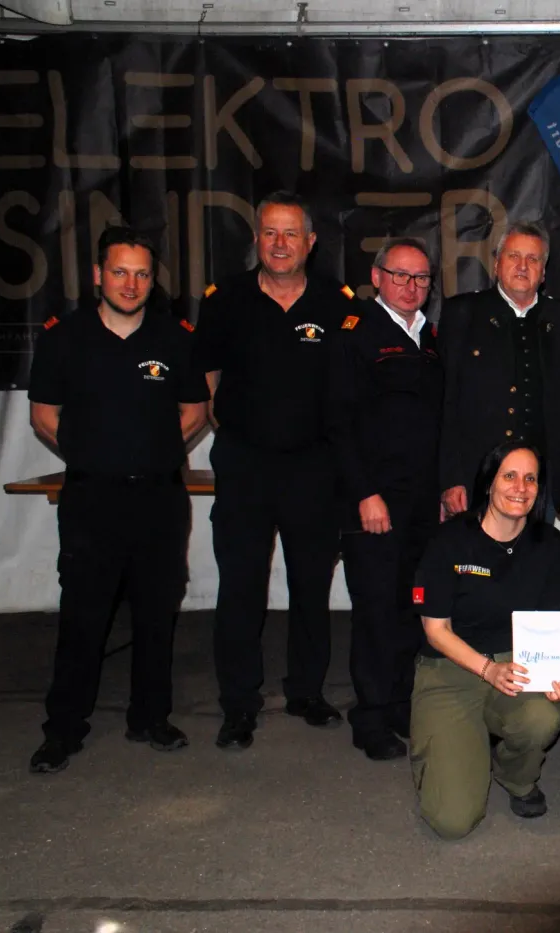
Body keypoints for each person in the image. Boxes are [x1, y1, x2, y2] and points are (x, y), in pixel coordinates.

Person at [26, 226, 209, 773]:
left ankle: (149, 717)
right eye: (120, 272)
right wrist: (96, 455)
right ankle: (63, 729)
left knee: (157, 614)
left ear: (153, 281)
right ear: (99, 275)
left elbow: (196, 410)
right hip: (91, 501)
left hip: (158, 500)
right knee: (84, 617)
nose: (131, 284)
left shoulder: (174, 337)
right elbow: (44, 417)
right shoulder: (65, 338)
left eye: (142, 274)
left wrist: (149, 454)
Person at [194, 191, 353, 750]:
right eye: (269, 233)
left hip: (313, 468)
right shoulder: (224, 301)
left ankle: (306, 691)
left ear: (310, 242)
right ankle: (239, 704)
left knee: (311, 586)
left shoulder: (338, 305)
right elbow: (206, 381)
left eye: (291, 234)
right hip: (245, 466)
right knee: (240, 587)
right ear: (256, 240)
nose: (280, 244)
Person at [410, 442, 560, 839]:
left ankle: (513, 774)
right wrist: (487, 668)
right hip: (451, 669)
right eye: (510, 475)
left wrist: (556, 672)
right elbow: (435, 630)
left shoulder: (551, 547)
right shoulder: (449, 541)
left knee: (544, 716)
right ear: (489, 482)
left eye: (531, 478)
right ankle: (448, 747)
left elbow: (549, 626)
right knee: (452, 821)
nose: (520, 486)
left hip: (515, 664)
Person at [327, 237, 443, 762]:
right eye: (400, 276)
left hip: (422, 503)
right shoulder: (357, 334)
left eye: (420, 278)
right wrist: (365, 496)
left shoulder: (429, 336)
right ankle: (370, 718)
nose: (411, 286)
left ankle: (400, 704)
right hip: (375, 502)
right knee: (375, 609)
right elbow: (340, 425)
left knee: (409, 608)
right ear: (376, 278)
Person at [438, 222, 560, 520]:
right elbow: (445, 403)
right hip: (477, 480)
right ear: (497, 262)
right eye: (514, 256)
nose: (522, 266)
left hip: (541, 483)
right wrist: (451, 478)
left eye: (533, 259)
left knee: (537, 565)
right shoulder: (463, 314)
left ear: (543, 272)